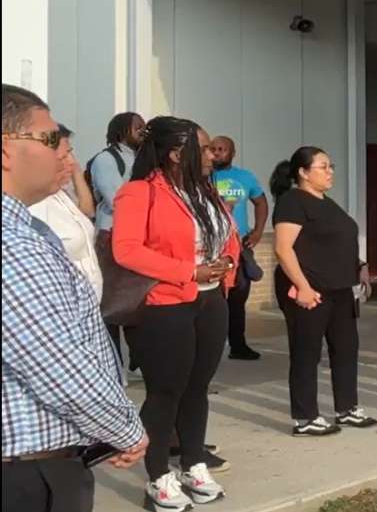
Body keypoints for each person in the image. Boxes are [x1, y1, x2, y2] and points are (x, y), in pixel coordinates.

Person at [2, 83, 148, 512]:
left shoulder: (29, 229)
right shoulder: (12, 246)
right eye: (50, 140)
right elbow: (56, 364)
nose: (63, 155)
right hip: (25, 478)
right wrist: (124, 429)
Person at [112, 116, 237, 511]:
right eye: (202, 148)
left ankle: (193, 462)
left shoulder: (204, 192)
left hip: (210, 300)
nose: (211, 153)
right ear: (174, 154)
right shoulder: (138, 192)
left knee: (198, 386)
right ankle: (158, 476)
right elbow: (126, 250)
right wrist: (189, 271)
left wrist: (227, 262)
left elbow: (228, 234)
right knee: (166, 391)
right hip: (166, 304)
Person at [271, 146, 377, 437]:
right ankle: (305, 417)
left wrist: (360, 265)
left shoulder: (327, 203)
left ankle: (347, 408)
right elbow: (283, 248)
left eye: (331, 166)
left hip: (341, 288)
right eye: (323, 167)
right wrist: (302, 287)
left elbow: (334, 242)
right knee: (306, 353)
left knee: (346, 348)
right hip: (310, 290)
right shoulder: (293, 201)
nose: (330, 172)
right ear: (303, 173)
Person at [91, 111, 145, 376]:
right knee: (112, 304)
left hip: (138, 237)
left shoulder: (142, 158)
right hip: (111, 235)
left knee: (138, 302)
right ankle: (114, 368)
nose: (142, 131)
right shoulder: (106, 159)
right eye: (138, 127)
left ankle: (139, 360)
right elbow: (117, 201)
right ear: (122, 130)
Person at [210, 135, 269, 360]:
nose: (217, 153)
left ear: (232, 153)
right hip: (212, 246)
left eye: (222, 149)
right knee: (214, 300)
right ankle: (211, 346)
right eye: (213, 149)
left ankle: (238, 345)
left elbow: (261, 202)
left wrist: (258, 231)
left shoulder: (245, 177)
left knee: (238, 297)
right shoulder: (202, 176)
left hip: (239, 246)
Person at [28, 125, 102, 303]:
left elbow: (87, 211)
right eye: (64, 155)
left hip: (88, 304)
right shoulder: (35, 204)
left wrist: (76, 173)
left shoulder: (60, 194)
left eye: (71, 153)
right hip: (63, 305)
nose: (72, 160)